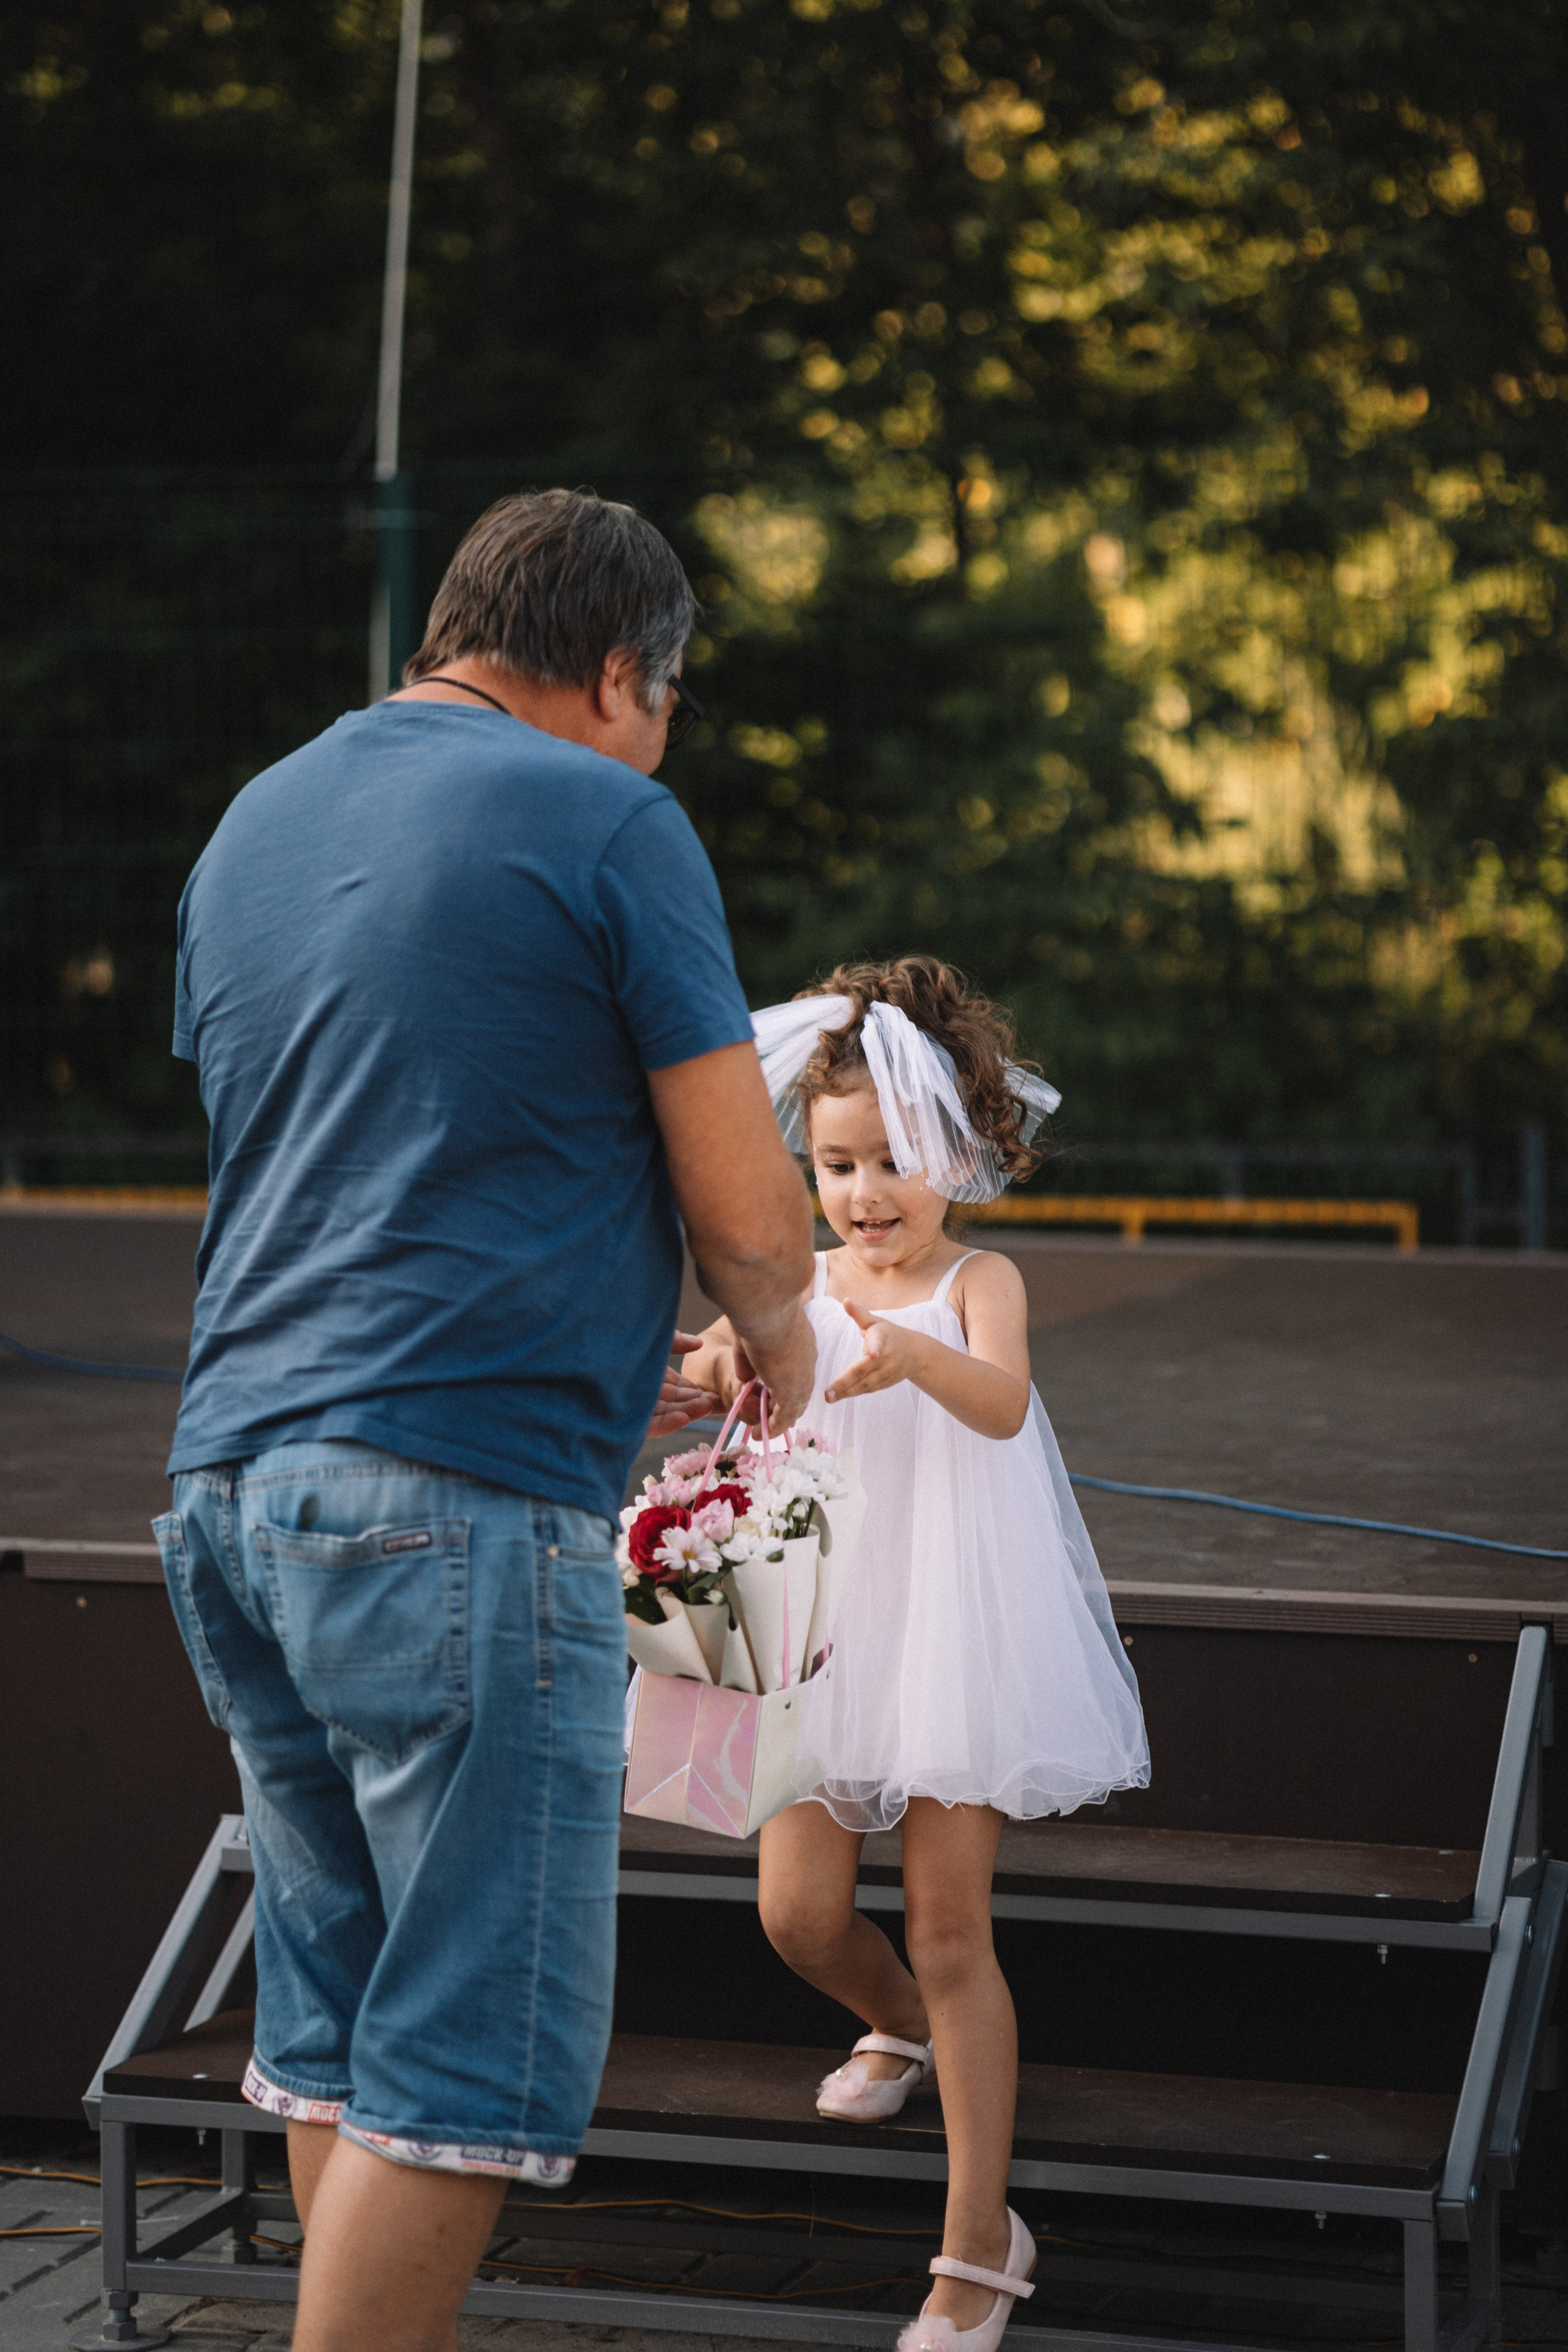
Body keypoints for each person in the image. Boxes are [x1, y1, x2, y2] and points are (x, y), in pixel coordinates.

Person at [154, 489, 815, 2352]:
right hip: (457, 1494)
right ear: (619, 673)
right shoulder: (610, 812)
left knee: (342, 2031)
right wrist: (782, 1339)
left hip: (233, 1490)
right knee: (469, 2057)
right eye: (666, 698)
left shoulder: (256, 818)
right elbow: (750, 1208)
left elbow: (356, 1127)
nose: (662, 736)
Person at [681, 956, 1149, 2352]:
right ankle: (898, 2027)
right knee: (797, 1916)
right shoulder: (799, 1289)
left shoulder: (974, 1281)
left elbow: (1001, 1404)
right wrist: (711, 1368)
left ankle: (974, 2241)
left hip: (952, 1625)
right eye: (836, 1165)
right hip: (825, 1632)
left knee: (951, 1928)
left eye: (895, 1159)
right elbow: (743, 1377)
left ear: (958, 1155)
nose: (866, 1192)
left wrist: (911, 1355)